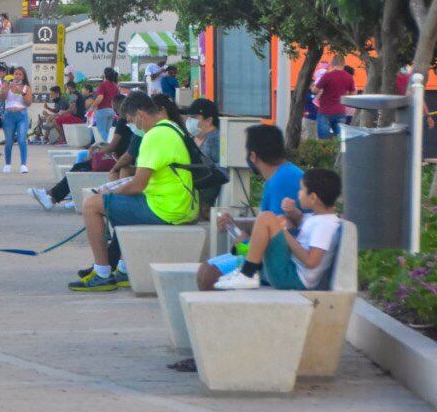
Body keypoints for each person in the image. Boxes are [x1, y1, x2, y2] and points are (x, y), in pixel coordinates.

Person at [69, 91, 197, 292]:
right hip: (177, 203)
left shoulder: (154, 136)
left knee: (91, 205)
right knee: (120, 203)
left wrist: (108, 195)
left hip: (165, 208)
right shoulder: (171, 128)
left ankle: (102, 273)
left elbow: (138, 184)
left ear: (140, 114)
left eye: (130, 120)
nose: (133, 126)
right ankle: (124, 268)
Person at [205, 168, 343, 291]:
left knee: (266, 217)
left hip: (294, 277)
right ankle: (246, 258)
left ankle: (247, 273)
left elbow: (311, 261)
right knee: (274, 219)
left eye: (301, 189)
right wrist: (292, 212)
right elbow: (303, 221)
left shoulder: (325, 225)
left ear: (313, 197)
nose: (298, 193)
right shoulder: (318, 217)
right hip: (289, 270)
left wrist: (283, 232)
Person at [30, 95, 129, 210]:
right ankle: (54, 195)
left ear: (115, 105)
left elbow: (113, 146)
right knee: (82, 160)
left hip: (118, 161)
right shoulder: (125, 121)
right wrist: (97, 147)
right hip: (117, 158)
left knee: (81, 166)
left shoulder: (123, 121)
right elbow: (116, 145)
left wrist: (97, 153)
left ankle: (54, 196)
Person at [313, 55, 356, 138]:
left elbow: (315, 91)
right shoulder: (349, 77)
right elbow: (353, 94)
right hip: (340, 111)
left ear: (332, 64)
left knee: (324, 141)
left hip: (325, 111)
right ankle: (340, 151)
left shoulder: (327, 75)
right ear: (344, 64)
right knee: (341, 140)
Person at [1, 66, 33, 174]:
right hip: (9, 115)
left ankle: (23, 164)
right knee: (9, 141)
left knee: (21, 140)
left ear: (23, 76)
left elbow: (28, 103)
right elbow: (2, 97)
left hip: (21, 115)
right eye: (16, 74)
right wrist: (5, 87)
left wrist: (21, 91)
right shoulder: (8, 84)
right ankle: (7, 164)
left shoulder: (26, 87)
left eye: (20, 74)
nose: (18, 76)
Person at [91, 67, 120, 142]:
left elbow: (100, 97)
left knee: (102, 131)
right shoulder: (115, 86)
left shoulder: (103, 85)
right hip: (112, 111)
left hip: (102, 111)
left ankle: (112, 145)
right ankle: (110, 148)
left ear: (104, 74)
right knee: (107, 132)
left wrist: (92, 106)